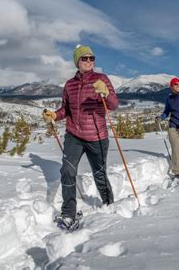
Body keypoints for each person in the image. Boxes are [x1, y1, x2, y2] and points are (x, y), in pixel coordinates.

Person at [43, 44, 118, 229]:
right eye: (84, 58)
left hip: (97, 136)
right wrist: (54, 115)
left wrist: (106, 93)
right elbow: (66, 109)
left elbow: (114, 104)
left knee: (99, 174)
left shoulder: (101, 79)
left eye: (91, 58)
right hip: (74, 135)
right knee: (67, 172)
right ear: (77, 61)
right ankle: (68, 213)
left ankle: (110, 204)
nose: (89, 61)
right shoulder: (70, 84)